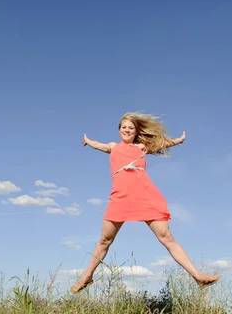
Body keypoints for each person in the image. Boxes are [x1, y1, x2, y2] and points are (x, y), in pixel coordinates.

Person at [70, 112, 220, 294]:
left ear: (135, 131)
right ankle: (87, 276)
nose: (127, 130)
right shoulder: (112, 147)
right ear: (119, 130)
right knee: (104, 240)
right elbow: (98, 145)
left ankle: (198, 276)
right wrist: (88, 141)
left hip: (145, 197)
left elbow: (161, 145)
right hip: (120, 198)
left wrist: (178, 140)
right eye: (124, 127)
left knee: (166, 237)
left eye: (131, 128)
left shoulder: (141, 148)